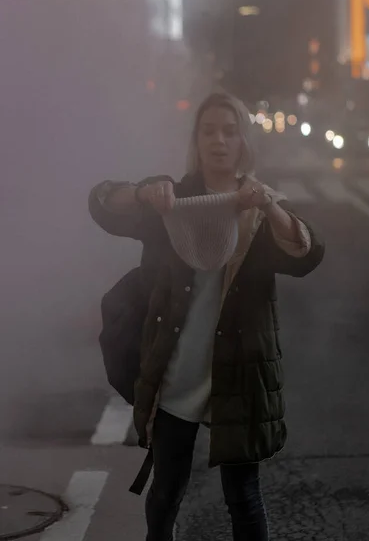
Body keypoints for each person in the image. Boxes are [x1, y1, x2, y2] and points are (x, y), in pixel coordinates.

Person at [88, 92, 325, 541]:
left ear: (243, 142)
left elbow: (307, 253)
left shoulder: (255, 207)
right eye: (209, 131)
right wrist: (143, 192)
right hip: (177, 374)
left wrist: (269, 205)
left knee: (244, 498)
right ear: (196, 140)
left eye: (229, 132)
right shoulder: (171, 199)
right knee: (166, 493)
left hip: (238, 375)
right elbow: (102, 204)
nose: (219, 141)